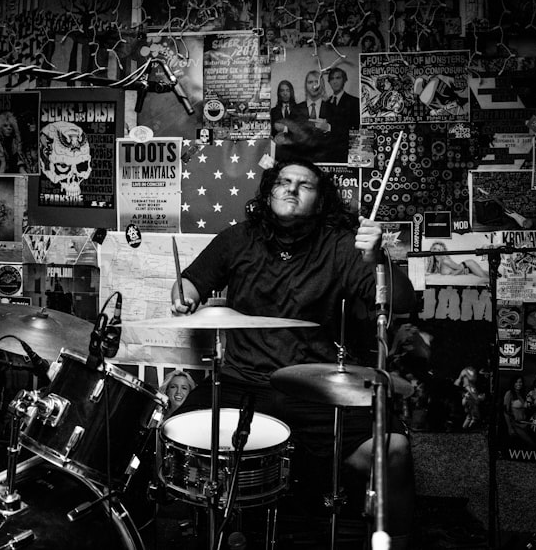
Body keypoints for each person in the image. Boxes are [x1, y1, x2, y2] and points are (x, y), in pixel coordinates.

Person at [169, 158, 417, 548]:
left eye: (305, 184)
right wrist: (184, 295)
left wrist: (377, 258)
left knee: (394, 450)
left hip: (317, 389)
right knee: (173, 437)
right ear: (269, 192)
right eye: (283, 182)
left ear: (320, 201)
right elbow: (190, 282)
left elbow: (401, 301)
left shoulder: (342, 245)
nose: (291, 189)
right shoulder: (239, 239)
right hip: (242, 384)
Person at [319, 66, 361, 162]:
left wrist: (329, 128)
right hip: (329, 155)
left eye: (338, 78)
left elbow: (355, 129)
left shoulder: (354, 102)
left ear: (344, 80)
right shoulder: (325, 103)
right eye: (332, 79)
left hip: (347, 155)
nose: (335, 81)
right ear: (329, 82)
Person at [424, 241, 489, 280]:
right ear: (431, 249)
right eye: (434, 249)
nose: (436, 251)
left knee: (486, 278)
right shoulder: (437, 264)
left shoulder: (445, 260)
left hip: (468, 265)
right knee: (489, 275)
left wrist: (453, 275)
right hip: (466, 268)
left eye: (439, 250)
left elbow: (460, 268)